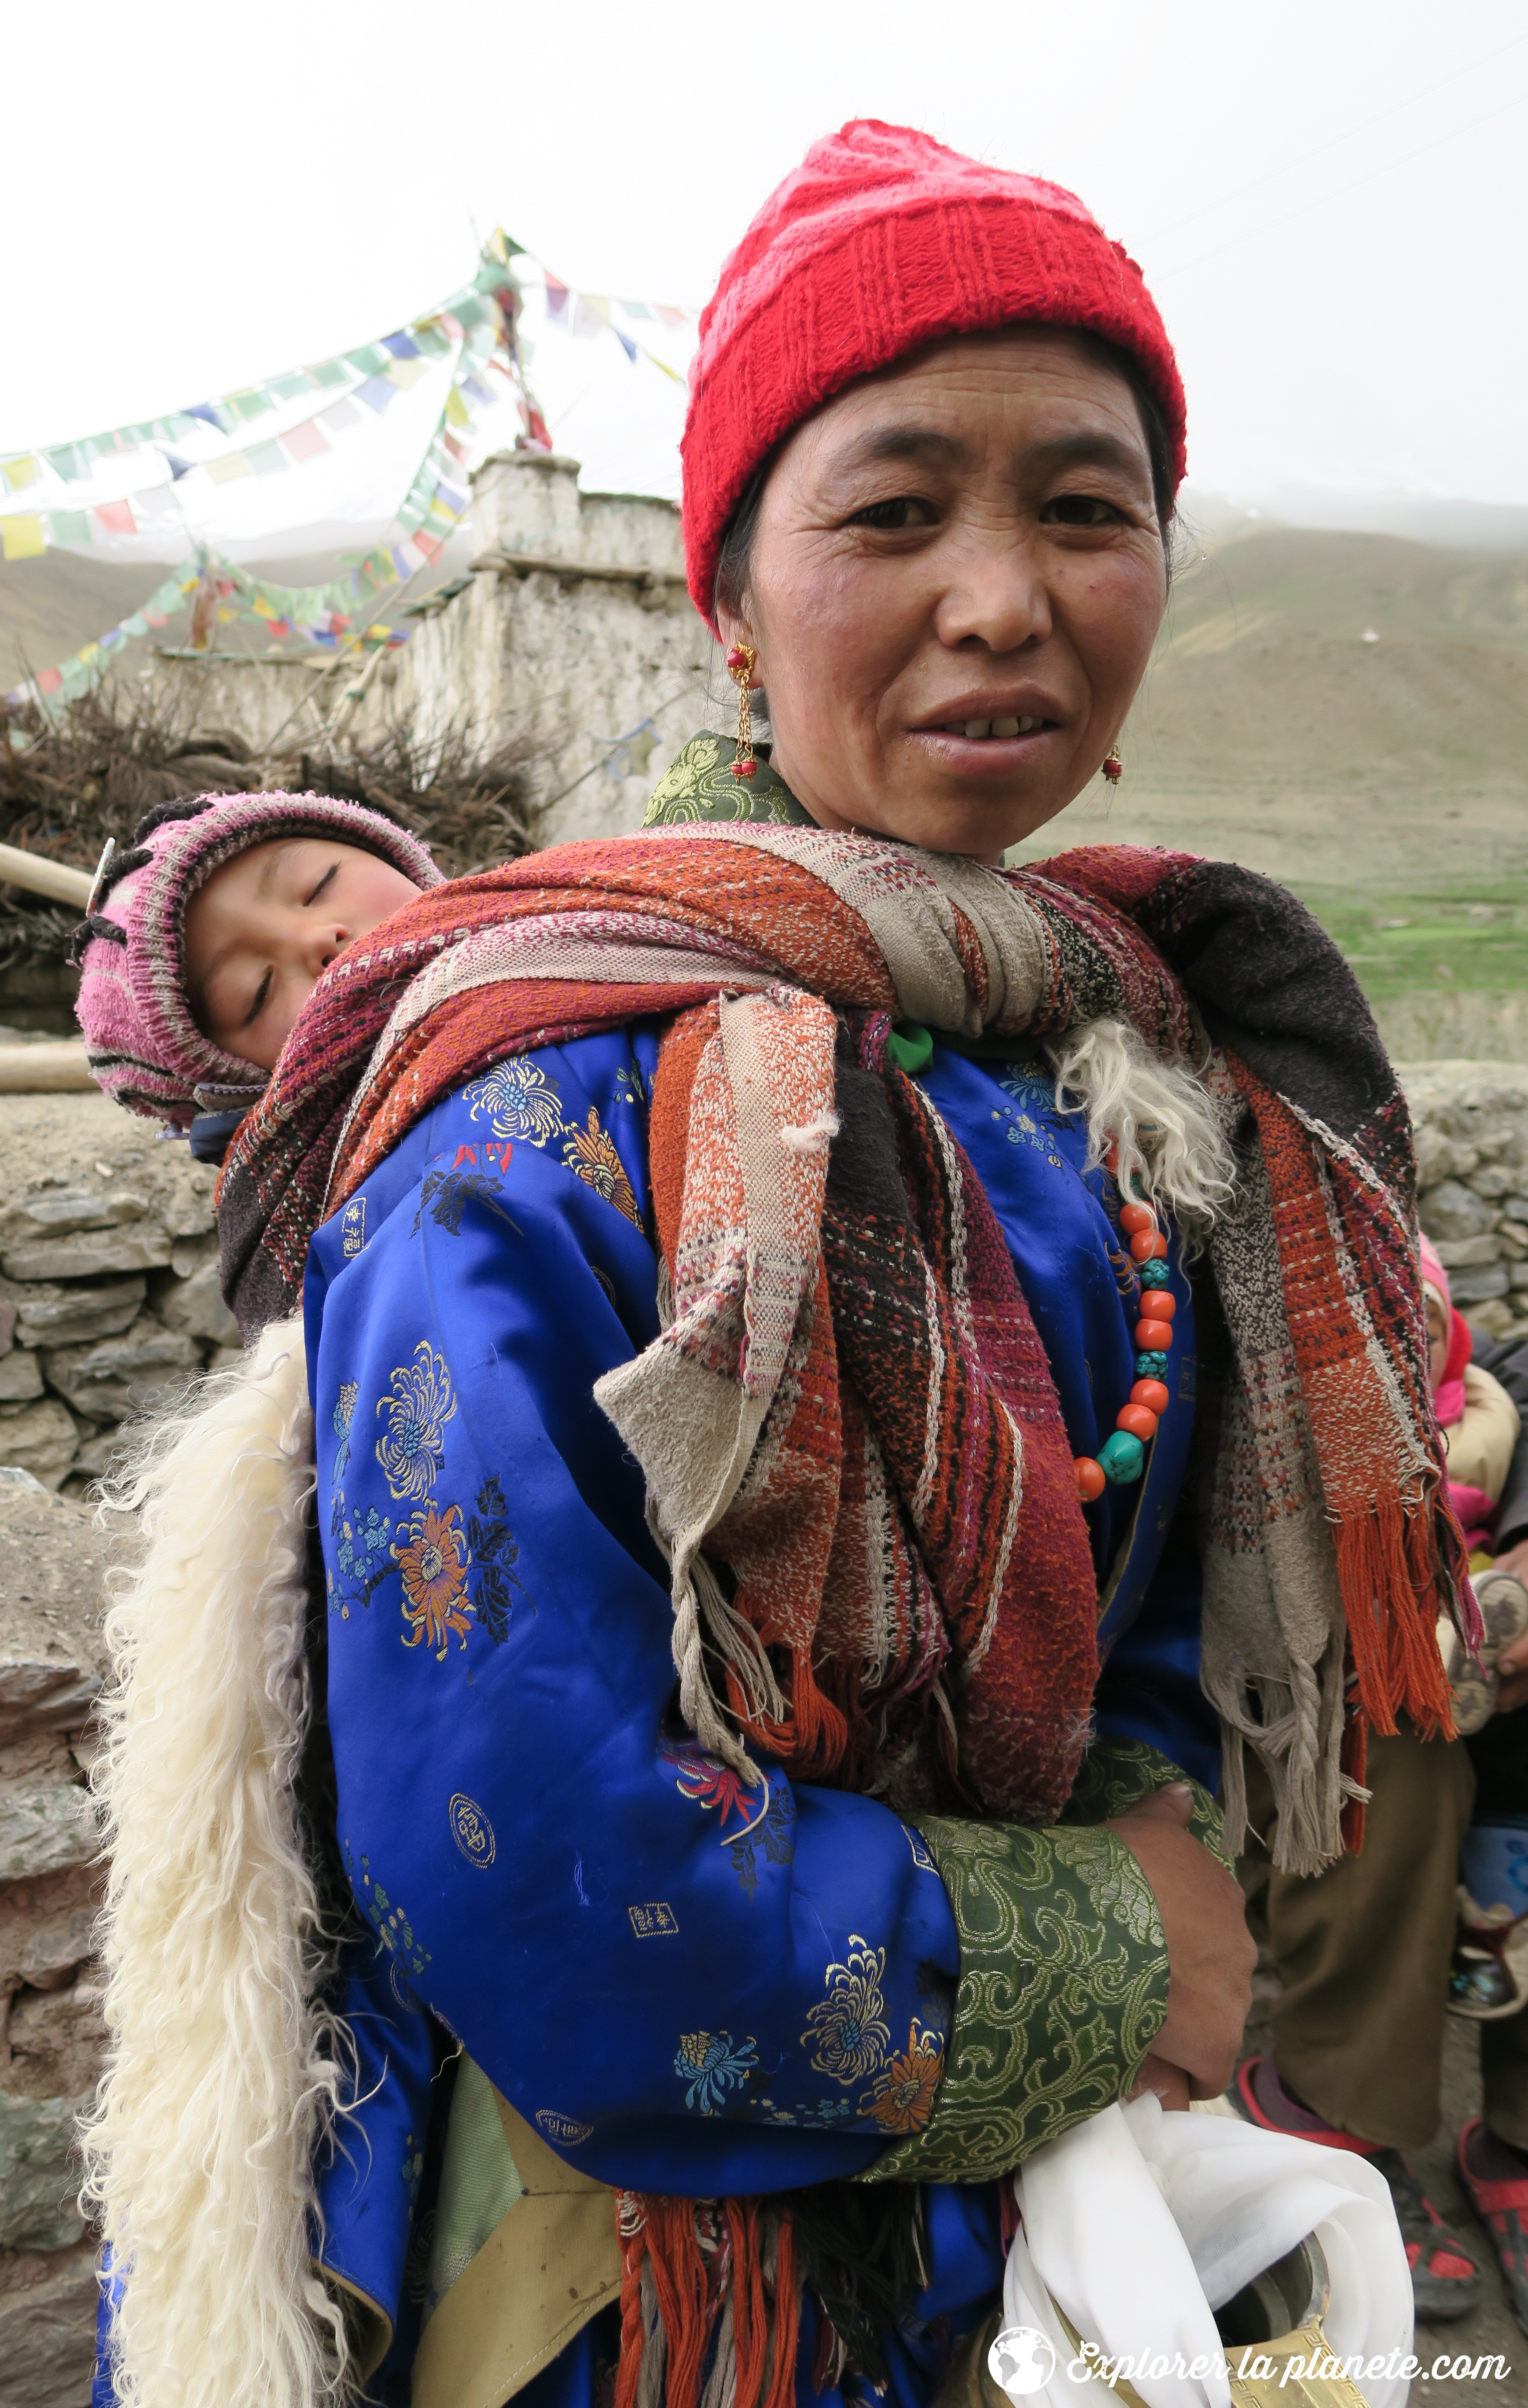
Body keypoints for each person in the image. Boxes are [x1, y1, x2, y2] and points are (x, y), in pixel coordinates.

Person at [75, 124, 1454, 2408]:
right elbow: (533, 1857)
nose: (1003, 597)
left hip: (1025, 2252)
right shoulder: (539, 1124)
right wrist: (1114, 1952)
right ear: (728, 599)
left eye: (1085, 509)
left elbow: (1181, 1646)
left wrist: (1159, 1853)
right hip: (658, 2295)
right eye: (896, 511)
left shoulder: (1137, 1068)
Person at [1232, 1234, 1528, 2331]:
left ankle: (1515, 2136)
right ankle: (1331, 2108)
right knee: (1395, 1729)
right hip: (1300, 1636)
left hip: (1462, 1608)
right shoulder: (1227, 1245)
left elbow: (1493, 1365)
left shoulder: (1405, 1268)